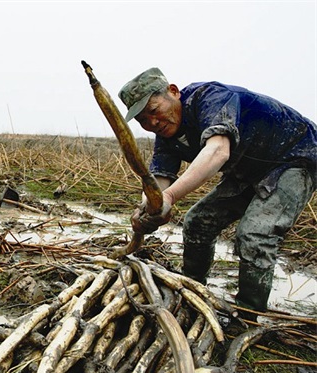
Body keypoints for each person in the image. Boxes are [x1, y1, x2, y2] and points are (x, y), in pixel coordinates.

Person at [118, 67, 316, 318]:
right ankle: (192, 290)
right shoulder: (166, 135)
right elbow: (159, 180)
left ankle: (247, 316)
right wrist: (146, 208)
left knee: (255, 233)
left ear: (173, 92)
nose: (152, 122)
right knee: (198, 221)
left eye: (154, 111)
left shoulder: (210, 98)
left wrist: (168, 198)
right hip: (246, 171)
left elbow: (218, 151)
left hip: (294, 158)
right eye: (143, 120)